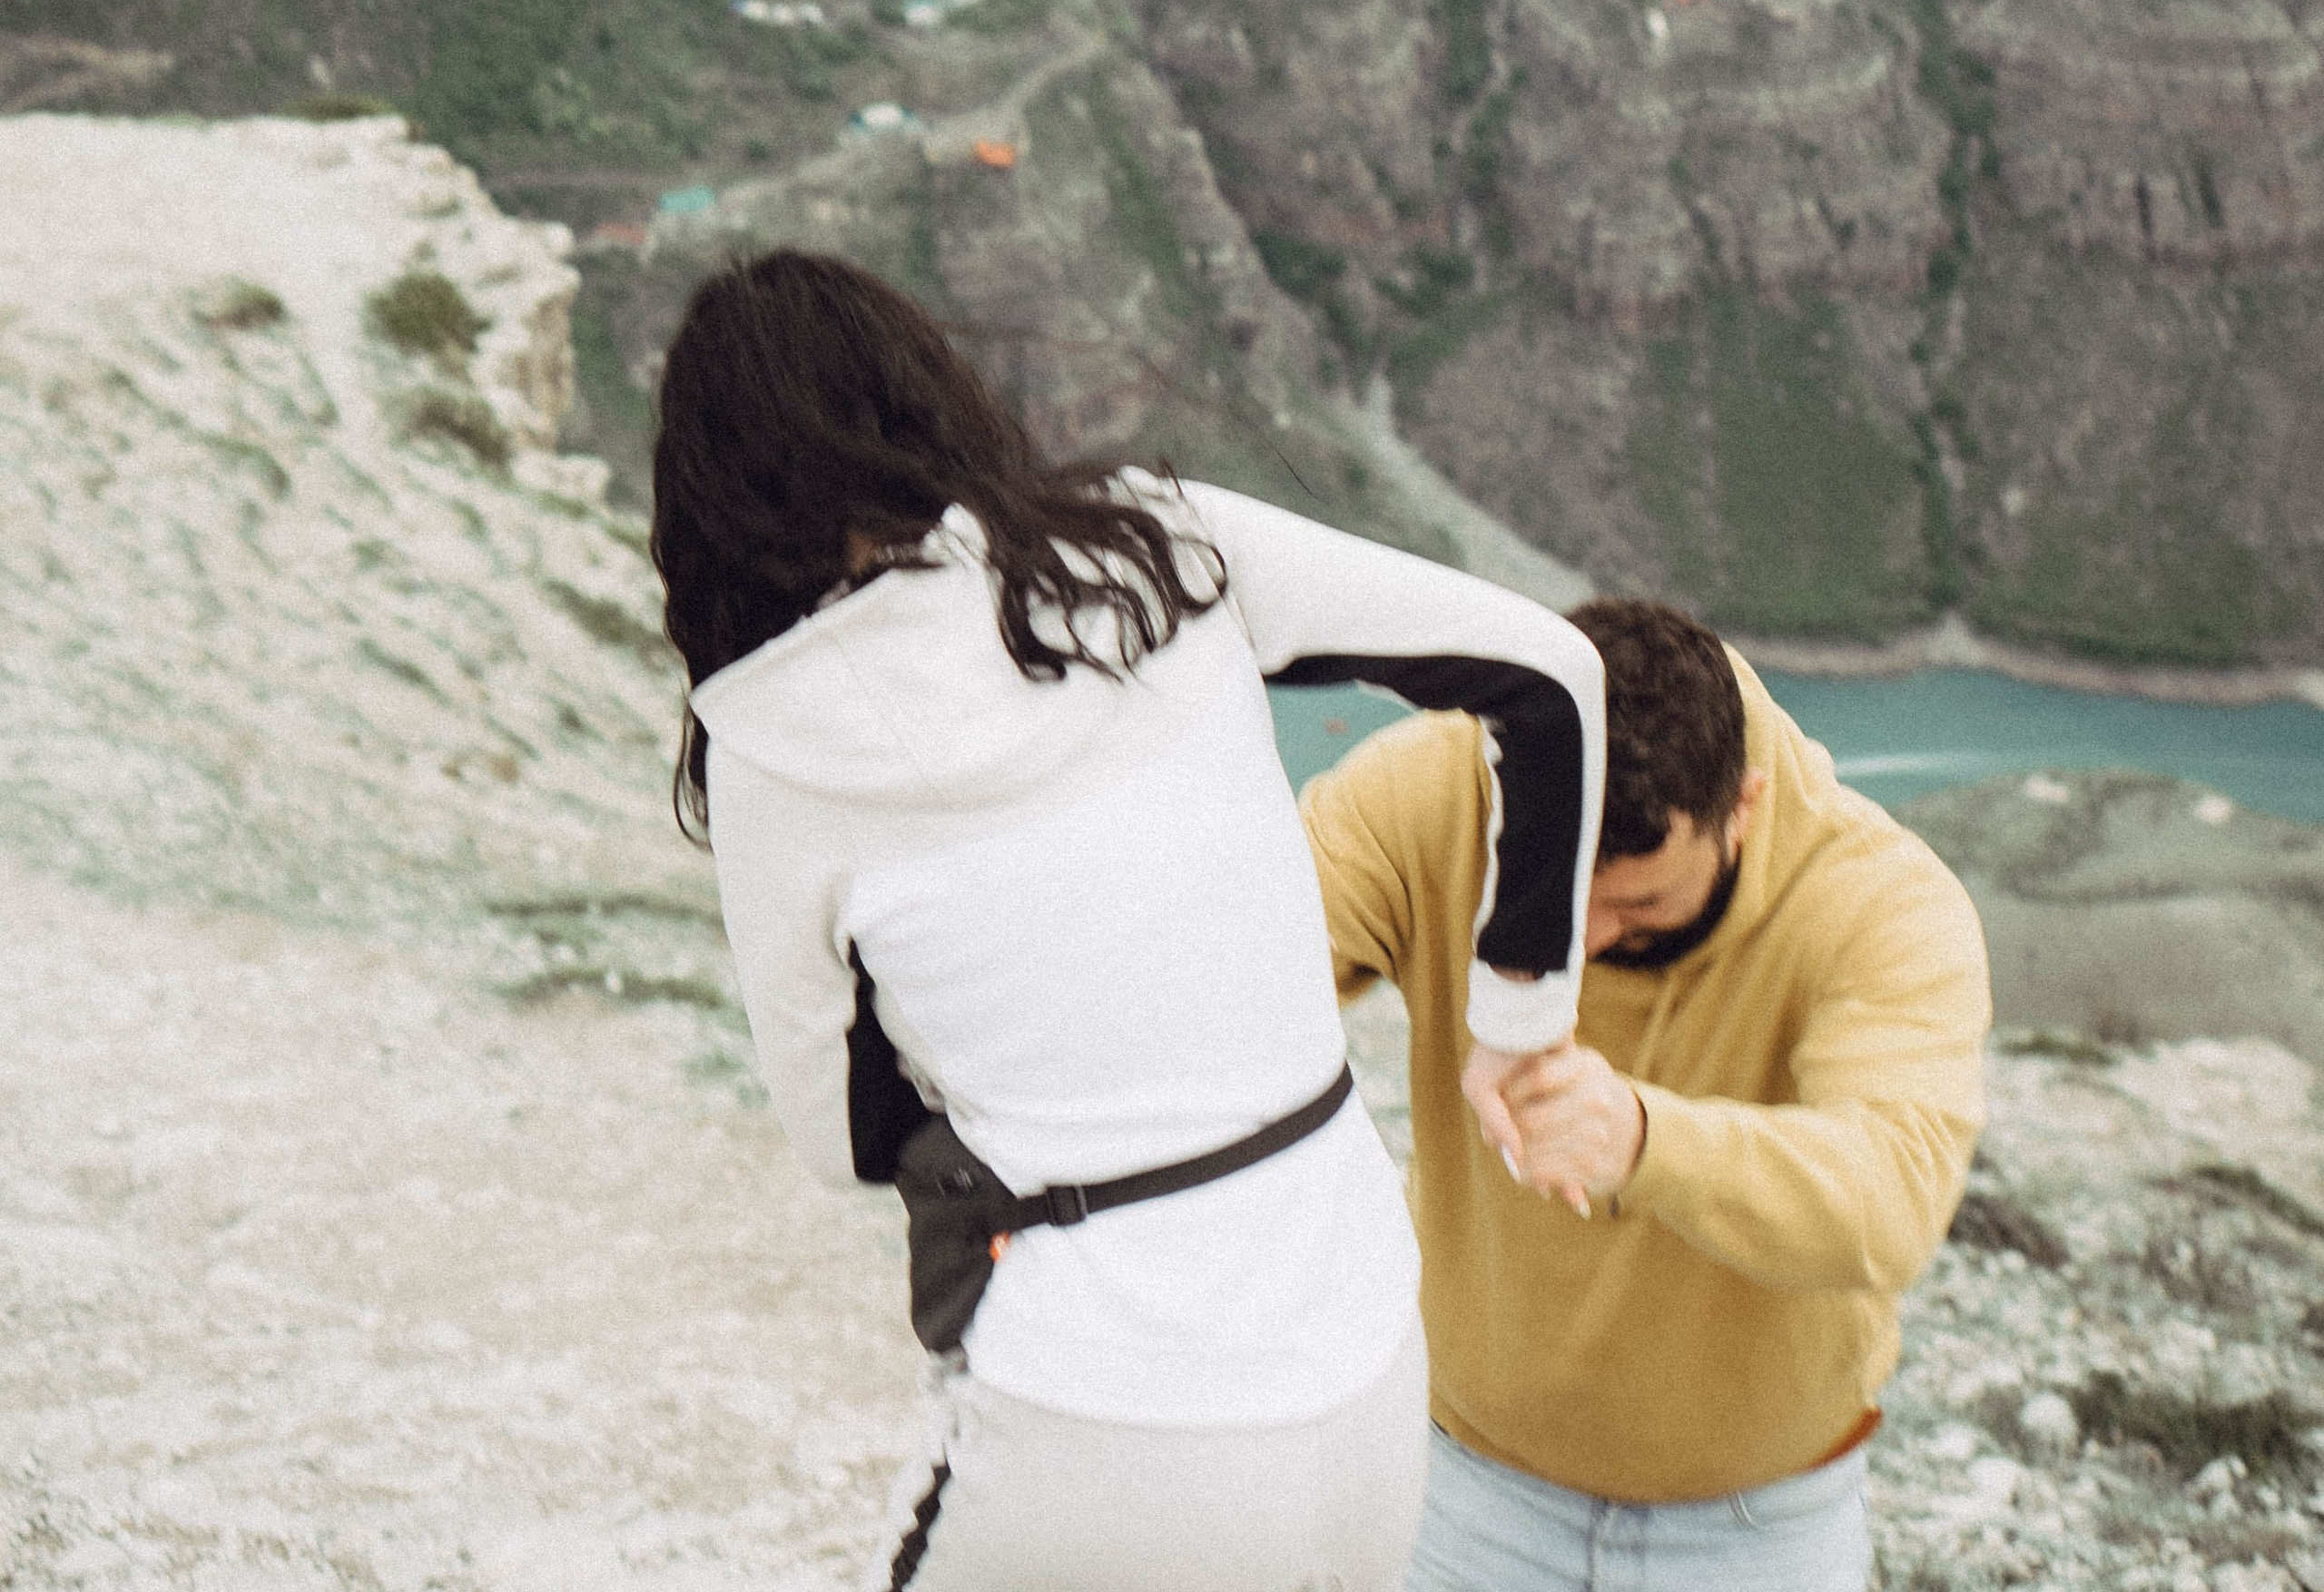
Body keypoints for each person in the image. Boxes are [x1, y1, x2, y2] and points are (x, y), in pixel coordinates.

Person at [648, 249, 1607, 1592]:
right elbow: (1552, 677)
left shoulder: (765, 746)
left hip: (1095, 1416)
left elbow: (845, 1138)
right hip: (1369, 1376)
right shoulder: (1164, 545)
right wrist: (1517, 1023)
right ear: (931, 397)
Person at [1301, 595, 1992, 1592]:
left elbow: (1889, 1203)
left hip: (1757, 1529)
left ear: (1741, 809)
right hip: (1461, 1488)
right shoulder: (1436, 787)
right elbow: (1236, 978)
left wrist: (1640, 1141)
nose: (1576, 943)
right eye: (1547, 889)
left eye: (1635, 905)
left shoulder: (1882, 904)